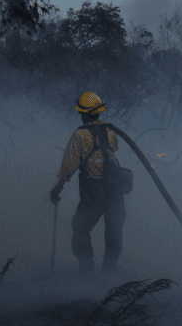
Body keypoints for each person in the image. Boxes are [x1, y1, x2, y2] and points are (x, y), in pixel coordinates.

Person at [51, 91, 127, 275]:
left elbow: (69, 164)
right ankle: (109, 270)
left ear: (84, 114)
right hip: (115, 192)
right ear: (99, 112)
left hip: (93, 193)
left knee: (79, 228)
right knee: (114, 231)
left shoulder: (80, 135)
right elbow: (114, 148)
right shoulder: (110, 131)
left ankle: (86, 268)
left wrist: (58, 188)